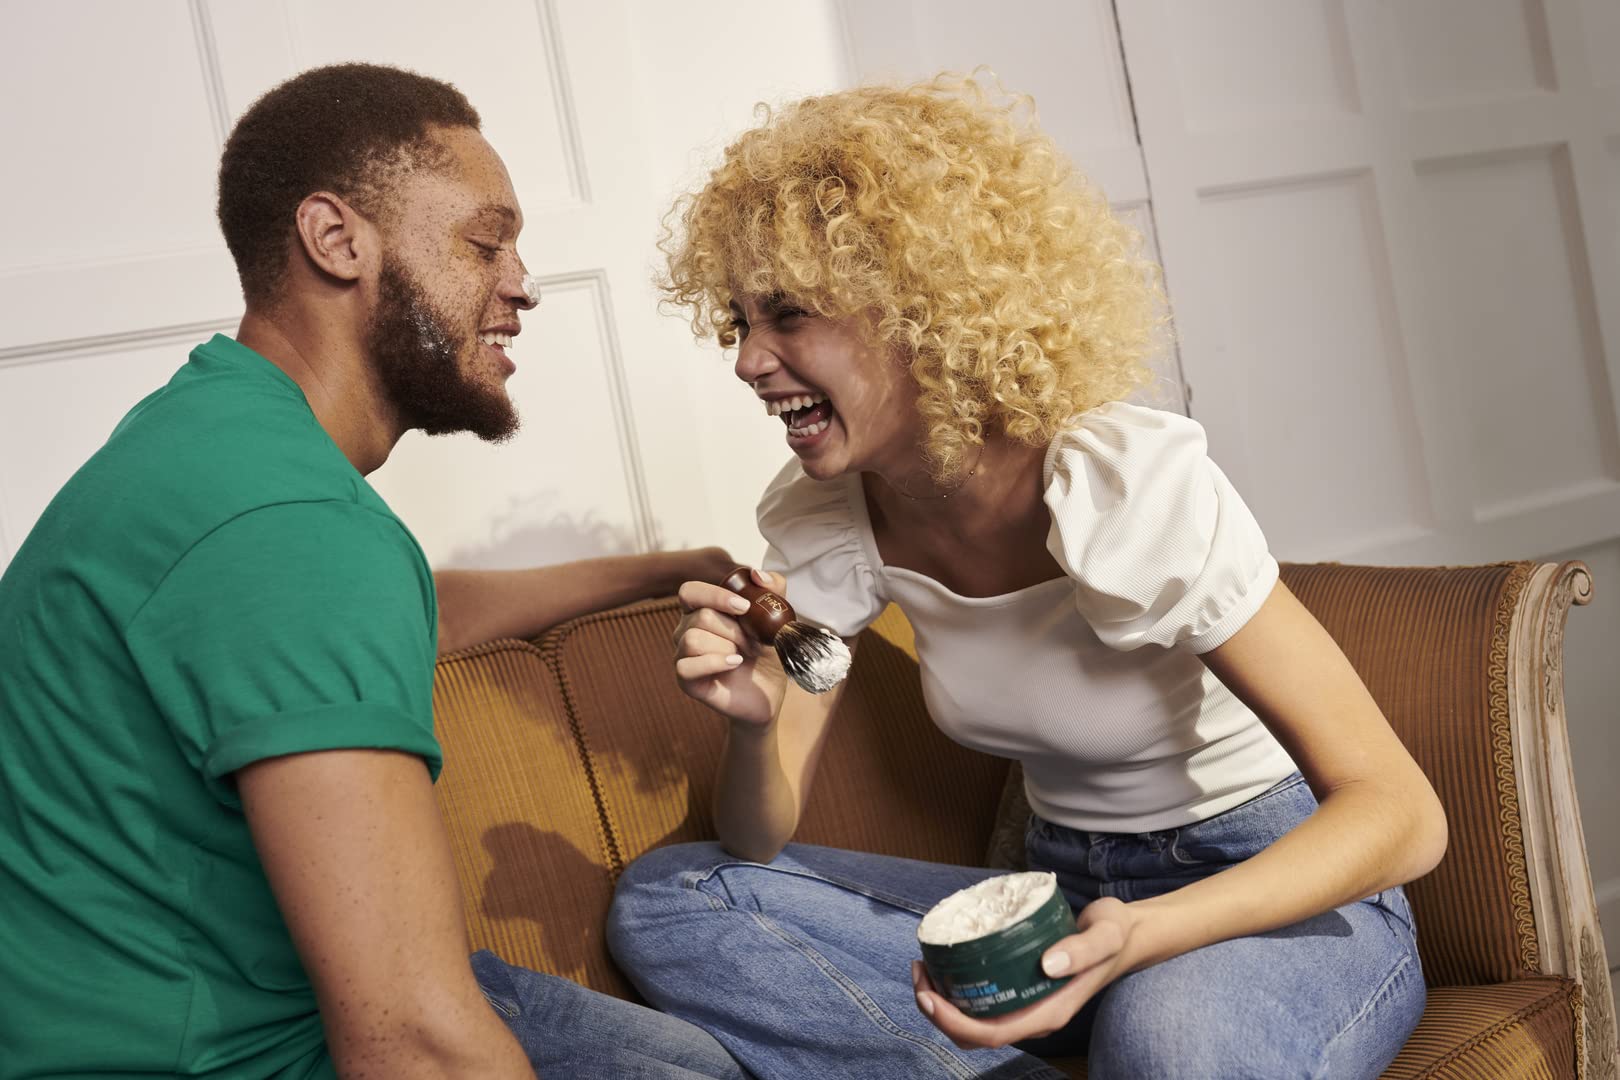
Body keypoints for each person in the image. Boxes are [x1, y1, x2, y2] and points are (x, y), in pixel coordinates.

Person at [605, 76, 1449, 1079]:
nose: (749, 361)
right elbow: (755, 840)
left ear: (920, 309)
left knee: (1165, 1041)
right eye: (738, 321)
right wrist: (754, 725)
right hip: (1056, 900)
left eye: (787, 314)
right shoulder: (832, 520)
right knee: (673, 899)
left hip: (1260, 892)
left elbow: (1400, 812)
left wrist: (1143, 937)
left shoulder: (1123, 488)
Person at [0, 63, 748, 1080]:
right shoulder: (291, 527)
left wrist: (668, 570)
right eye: (484, 242)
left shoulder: (217, 441)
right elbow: (410, 1043)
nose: (523, 283)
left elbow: (407, 613)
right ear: (335, 238)